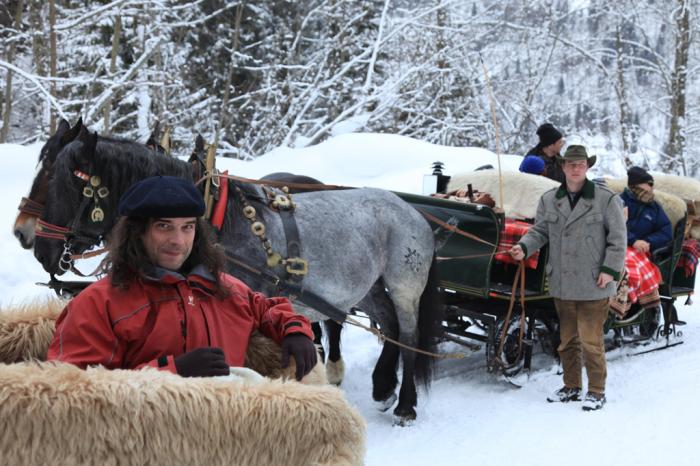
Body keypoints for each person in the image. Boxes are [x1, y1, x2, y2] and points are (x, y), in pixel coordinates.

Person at [46, 176, 317, 381]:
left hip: (229, 441)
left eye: (187, 227)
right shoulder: (99, 303)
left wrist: (294, 330)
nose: (178, 241)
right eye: (164, 226)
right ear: (137, 232)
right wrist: (172, 371)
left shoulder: (222, 288)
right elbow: (72, 387)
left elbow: (268, 308)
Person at [509, 145, 626, 411]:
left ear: (587, 167)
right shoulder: (549, 199)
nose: (575, 168)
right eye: (570, 164)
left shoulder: (605, 199)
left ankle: (596, 390)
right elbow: (539, 231)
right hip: (562, 283)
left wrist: (609, 270)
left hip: (594, 282)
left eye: (580, 164)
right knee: (567, 341)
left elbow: (618, 240)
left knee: (591, 342)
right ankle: (571, 386)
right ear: (562, 167)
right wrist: (524, 246)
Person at [622, 166, 672, 254]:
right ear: (636, 184)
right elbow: (610, 227)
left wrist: (647, 242)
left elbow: (666, 232)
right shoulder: (620, 201)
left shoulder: (654, 207)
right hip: (618, 246)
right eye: (649, 183)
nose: (652, 187)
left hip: (641, 251)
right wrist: (633, 241)